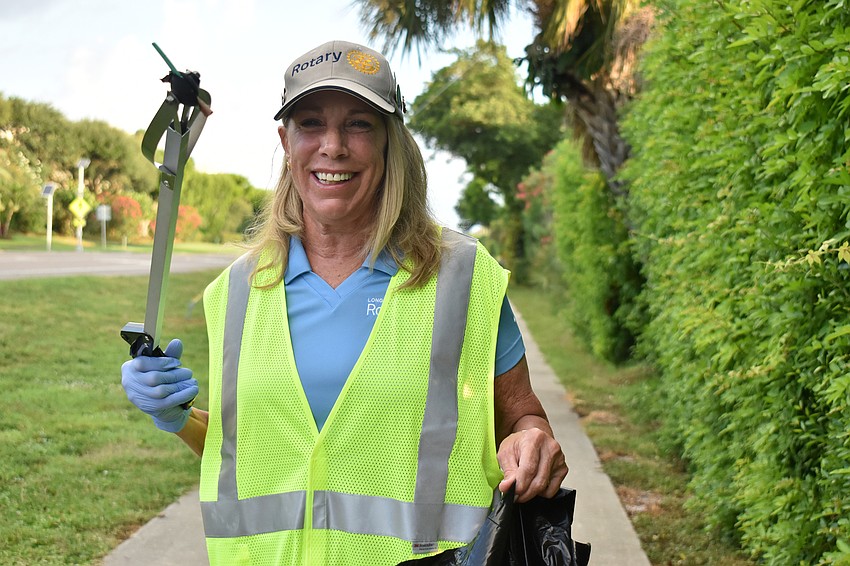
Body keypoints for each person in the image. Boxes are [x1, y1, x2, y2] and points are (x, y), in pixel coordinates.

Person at [121, 39, 568, 565]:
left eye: (359, 123)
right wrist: (177, 417)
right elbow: (252, 457)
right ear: (285, 141)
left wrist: (532, 441)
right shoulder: (234, 293)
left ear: (389, 141)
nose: (333, 146)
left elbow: (523, 418)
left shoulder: (463, 280)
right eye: (310, 123)